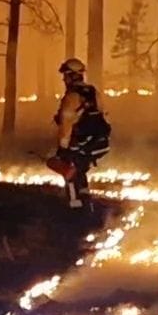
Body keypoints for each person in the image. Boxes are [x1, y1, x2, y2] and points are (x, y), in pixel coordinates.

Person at [49, 57, 112, 209]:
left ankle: (75, 209)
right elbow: (105, 115)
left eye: (66, 75)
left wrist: (62, 150)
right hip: (99, 143)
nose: (64, 79)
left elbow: (66, 125)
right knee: (80, 171)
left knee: (70, 173)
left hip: (81, 144)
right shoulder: (93, 92)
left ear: (72, 75)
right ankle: (86, 204)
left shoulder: (71, 97)